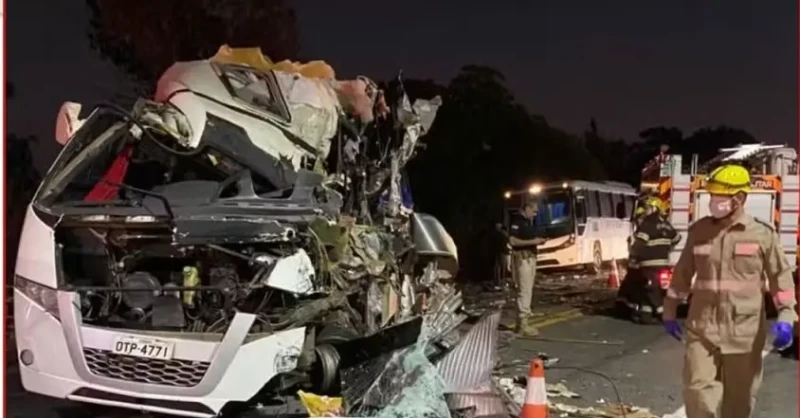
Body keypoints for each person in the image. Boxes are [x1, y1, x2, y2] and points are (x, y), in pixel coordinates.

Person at [662, 164, 797, 418]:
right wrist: (669, 310)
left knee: (739, 403)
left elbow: (780, 277)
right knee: (697, 393)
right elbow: (682, 274)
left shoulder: (762, 234)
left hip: (744, 333)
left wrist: (786, 317)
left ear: (740, 198)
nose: (714, 201)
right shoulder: (699, 231)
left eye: (720, 196)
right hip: (702, 329)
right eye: (712, 195)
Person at [618, 197, 681, 324]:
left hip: (649, 264)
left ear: (654, 209)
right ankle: (645, 316)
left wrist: (633, 254)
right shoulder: (666, 224)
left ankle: (662, 313)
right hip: (663, 263)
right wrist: (666, 246)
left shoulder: (648, 223)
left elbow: (639, 244)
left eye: (647, 208)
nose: (646, 211)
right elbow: (677, 238)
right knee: (648, 289)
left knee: (651, 290)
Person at [508, 201, 546, 337]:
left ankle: (522, 323)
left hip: (530, 257)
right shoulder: (517, 221)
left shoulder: (528, 223)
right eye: (534, 211)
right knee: (524, 290)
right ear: (527, 208)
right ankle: (523, 324)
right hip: (522, 259)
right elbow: (512, 241)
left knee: (528, 289)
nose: (535, 214)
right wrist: (533, 242)